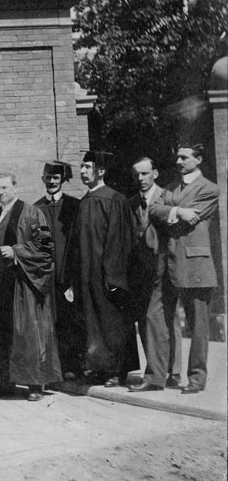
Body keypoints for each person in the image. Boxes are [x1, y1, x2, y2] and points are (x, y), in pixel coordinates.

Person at [0, 173, 60, 400]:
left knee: (26, 333)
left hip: (22, 285)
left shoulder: (32, 212)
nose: (0, 193)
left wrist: (16, 251)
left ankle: (34, 385)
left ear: (16, 188)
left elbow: (46, 247)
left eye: (4, 188)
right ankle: (0, 383)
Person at [149, 144, 219, 395]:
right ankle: (158, 376)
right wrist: (178, 210)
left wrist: (171, 211)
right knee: (156, 318)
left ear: (198, 160)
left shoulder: (210, 189)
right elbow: (154, 209)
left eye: (184, 157)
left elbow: (192, 217)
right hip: (168, 263)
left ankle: (197, 379)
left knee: (198, 325)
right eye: (177, 157)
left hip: (195, 264)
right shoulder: (169, 188)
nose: (178, 161)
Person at [69, 151, 138, 387]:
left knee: (111, 321)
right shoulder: (84, 202)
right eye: (81, 167)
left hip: (107, 275)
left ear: (101, 171)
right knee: (92, 321)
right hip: (88, 275)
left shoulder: (114, 199)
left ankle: (116, 370)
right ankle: (99, 367)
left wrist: (113, 276)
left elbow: (119, 241)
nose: (82, 171)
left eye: (88, 167)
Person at [128, 157, 182, 393]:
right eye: (137, 175)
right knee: (150, 318)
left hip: (165, 264)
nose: (141, 179)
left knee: (160, 317)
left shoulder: (168, 197)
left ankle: (158, 376)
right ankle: (170, 372)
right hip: (143, 269)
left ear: (155, 174)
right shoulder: (132, 203)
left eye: (145, 174)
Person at [33, 161, 84, 381]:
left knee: (70, 321)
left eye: (55, 178)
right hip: (46, 277)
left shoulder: (74, 206)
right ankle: (53, 368)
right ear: (43, 179)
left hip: (68, 275)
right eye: (48, 178)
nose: (52, 182)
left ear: (62, 180)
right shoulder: (36, 208)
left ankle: (73, 365)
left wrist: (73, 277)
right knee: (48, 322)